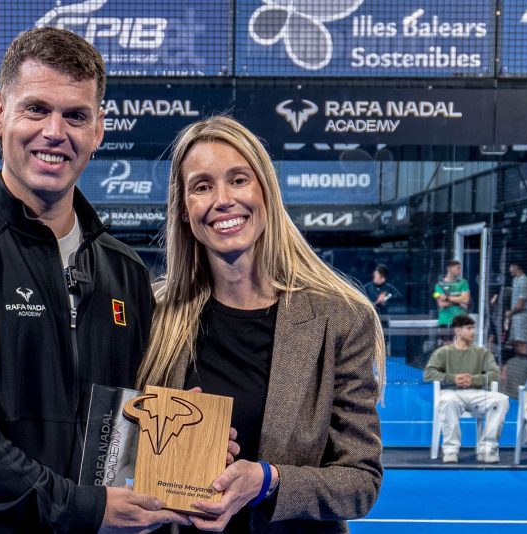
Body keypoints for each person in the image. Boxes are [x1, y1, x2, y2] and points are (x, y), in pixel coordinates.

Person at [0, 27, 189, 533]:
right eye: (36, 109)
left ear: (99, 130)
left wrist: (191, 451)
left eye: (76, 116)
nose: (54, 132)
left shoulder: (125, 272)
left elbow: (138, 414)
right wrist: (81, 508)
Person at [135, 116, 385, 532]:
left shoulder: (341, 318)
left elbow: (360, 481)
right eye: (202, 186)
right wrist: (167, 443)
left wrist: (269, 480)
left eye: (238, 179)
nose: (222, 200)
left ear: (266, 190)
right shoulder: (154, 316)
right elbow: (117, 452)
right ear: (184, 209)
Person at [424, 315, 508, 464]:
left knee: (501, 400)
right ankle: (450, 451)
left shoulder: (483, 353)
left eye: (473, 328)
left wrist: (474, 379)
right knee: (448, 400)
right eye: (469, 328)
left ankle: (488, 449)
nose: (473, 332)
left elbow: (495, 374)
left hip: (477, 394)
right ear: (458, 331)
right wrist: (453, 378)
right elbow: (429, 373)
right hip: (452, 393)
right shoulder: (443, 352)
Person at [504, 262, 527, 361]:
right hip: (514, 316)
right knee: (514, 341)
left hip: (521, 317)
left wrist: (510, 313)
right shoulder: (515, 280)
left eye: (510, 266)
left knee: (521, 342)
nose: (509, 269)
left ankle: (523, 363)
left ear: (516, 266)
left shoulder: (524, 281)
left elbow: (520, 305)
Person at [434, 259, 470, 327]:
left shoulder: (463, 282)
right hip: (446, 320)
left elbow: (466, 300)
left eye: (460, 268)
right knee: (447, 337)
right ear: (449, 269)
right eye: (458, 268)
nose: (460, 271)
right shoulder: (439, 285)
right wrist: (459, 301)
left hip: (461, 321)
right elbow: (442, 304)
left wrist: (447, 298)